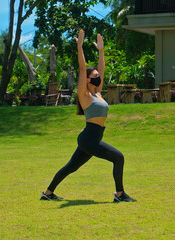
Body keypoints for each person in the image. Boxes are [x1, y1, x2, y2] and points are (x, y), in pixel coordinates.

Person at [40, 29, 136, 203]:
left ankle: (47, 193)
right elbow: (83, 68)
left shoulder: (98, 93)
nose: (99, 77)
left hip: (92, 137)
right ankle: (120, 194)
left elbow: (101, 68)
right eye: (95, 76)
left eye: (98, 76)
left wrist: (101, 51)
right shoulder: (85, 96)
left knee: (71, 167)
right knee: (118, 157)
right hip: (89, 138)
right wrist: (79, 47)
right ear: (87, 80)